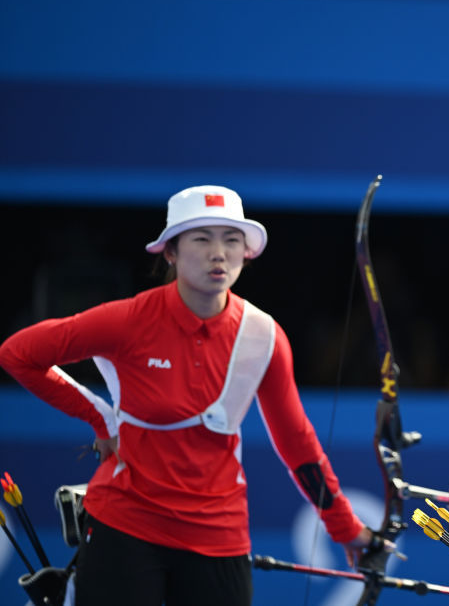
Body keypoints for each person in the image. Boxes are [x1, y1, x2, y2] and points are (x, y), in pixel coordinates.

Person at [0, 185, 375, 606]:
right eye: (201, 238)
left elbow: (296, 441)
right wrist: (100, 417)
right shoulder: (128, 319)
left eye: (231, 240)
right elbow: (18, 354)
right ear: (171, 253)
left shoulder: (264, 337)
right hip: (125, 525)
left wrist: (345, 527)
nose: (219, 253)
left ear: (246, 253)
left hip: (219, 535)